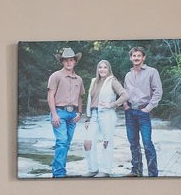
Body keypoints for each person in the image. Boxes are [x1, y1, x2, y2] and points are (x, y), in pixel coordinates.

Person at [121, 46, 162, 177]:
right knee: (133, 143)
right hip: (130, 113)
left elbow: (158, 92)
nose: (136, 58)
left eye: (139, 56)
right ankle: (136, 170)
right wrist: (125, 105)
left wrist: (148, 108)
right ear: (130, 58)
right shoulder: (128, 75)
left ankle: (153, 173)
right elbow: (124, 92)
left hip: (144, 112)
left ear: (143, 57)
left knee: (147, 143)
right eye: (134, 56)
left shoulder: (152, 72)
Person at [44, 47, 84, 178]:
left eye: (71, 60)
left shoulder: (79, 79)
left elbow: (80, 97)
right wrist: (54, 114)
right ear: (62, 62)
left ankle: (60, 168)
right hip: (59, 113)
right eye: (66, 60)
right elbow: (50, 96)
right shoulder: (56, 76)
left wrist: (80, 113)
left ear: (75, 62)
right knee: (62, 140)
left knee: (66, 143)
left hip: (73, 115)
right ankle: (59, 173)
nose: (68, 63)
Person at [82, 59, 124, 177]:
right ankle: (93, 169)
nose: (102, 69)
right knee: (87, 142)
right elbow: (90, 100)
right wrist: (87, 118)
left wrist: (112, 104)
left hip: (107, 114)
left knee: (107, 142)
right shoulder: (94, 81)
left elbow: (124, 95)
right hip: (94, 115)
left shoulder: (112, 81)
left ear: (109, 69)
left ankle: (105, 171)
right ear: (97, 69)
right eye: (100, 67)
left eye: (105, 67)